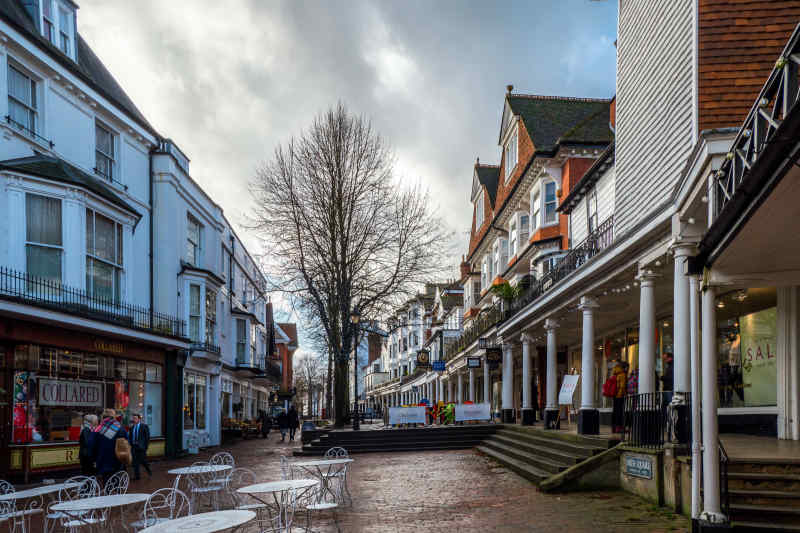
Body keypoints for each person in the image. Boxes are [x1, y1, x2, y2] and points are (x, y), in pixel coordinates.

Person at [92, 408, 128, 484]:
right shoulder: (120, 428)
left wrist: (95, 459)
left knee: (106, 483)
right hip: (117, 460)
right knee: (118, 483)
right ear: (114, 416)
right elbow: (126, 443)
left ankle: (108, 494)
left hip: (102, 460)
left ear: (103, 417)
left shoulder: (98, 429)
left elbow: (92, 445)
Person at [128, 413, 151, 480]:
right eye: (133, 418)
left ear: (139, 419)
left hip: (141, 447)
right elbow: (130, 437)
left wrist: (145, 447)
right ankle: (137, 476)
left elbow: (147, 437)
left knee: (143, 461)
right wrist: (130, 444)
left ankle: (148, 470)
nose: (134, 420)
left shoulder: (144, 426)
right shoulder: (132, 428)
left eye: (135, 418)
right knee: (135, 462)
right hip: (134, 447)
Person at [611, 363, 628, 434]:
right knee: (620, 412)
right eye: (627, 367)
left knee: (615, 412)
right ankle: (620, 428)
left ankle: (614, 428)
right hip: (620, 396)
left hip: (614, 395)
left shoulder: (615, 373)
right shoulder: (623, 374)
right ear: (624, 367)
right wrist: (624, 394)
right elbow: (622, 386)